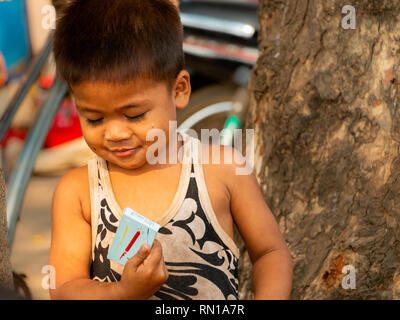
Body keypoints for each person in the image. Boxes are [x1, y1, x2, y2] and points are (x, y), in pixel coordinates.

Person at [49, 0, 292, 300]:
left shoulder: (221, 168)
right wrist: (125, 292)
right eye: (94, 118)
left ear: (179, 90)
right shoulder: (79, 193)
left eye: (135, 115)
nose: (115, 133)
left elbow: (270, 252)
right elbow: (64, 289)